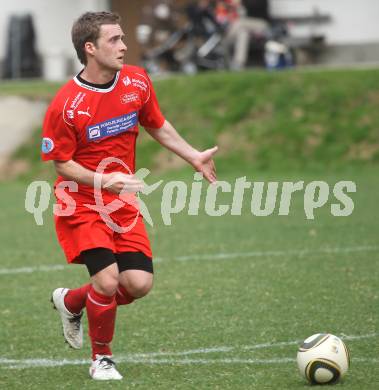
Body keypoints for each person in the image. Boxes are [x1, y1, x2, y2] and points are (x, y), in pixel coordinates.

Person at [42, 11, 217, 381]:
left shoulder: (136, 81)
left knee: (138, 284)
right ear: (90, 48)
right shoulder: (67, 104)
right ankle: (101, 359)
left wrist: (193, 155)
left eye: (122, 38)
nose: (123, 46)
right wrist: (105, 181)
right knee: (107, 281)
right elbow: (61, 164)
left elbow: (156, 123)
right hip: (82, 201)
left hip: (121, 202)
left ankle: (72, 301)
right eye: (114, 40)